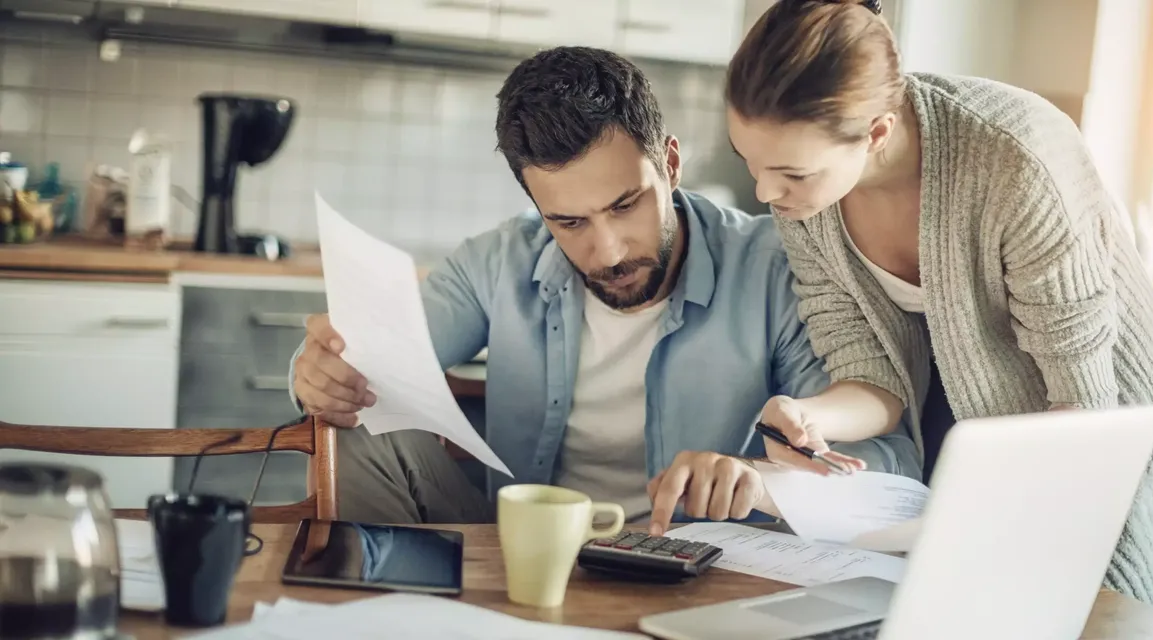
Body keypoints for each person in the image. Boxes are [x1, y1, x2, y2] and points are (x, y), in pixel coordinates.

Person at [288, 46, 919, 536]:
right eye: (569, 223)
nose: (609, 251)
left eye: (626, 205)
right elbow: (372, 359)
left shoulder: (775, 268)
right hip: (517, 546)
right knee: (353, 422)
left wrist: (762, 480)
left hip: (695, 564)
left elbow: (889, 466)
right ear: (537, 205)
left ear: (670, 165)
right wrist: (319, 373)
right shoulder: (497, 261)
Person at [721, 0, 1153, 614]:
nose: (765, 192)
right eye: (750, 163)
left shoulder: (1016, 159)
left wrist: (1002, 515)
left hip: (1083, 412)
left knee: (1076, 607)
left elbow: (1081, 408)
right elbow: (870, 373)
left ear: (876, 134)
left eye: (790, 172)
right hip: (958, 417)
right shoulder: (806, 202)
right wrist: (809, 415)